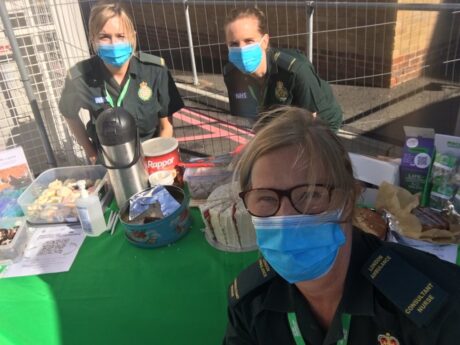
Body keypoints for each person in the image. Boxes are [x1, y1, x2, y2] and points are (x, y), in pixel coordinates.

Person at [223, 106, 460, 344]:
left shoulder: (436, 308)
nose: (285, 217)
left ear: (348, 201)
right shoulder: (250, 303)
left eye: (311, 195)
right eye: (265, 198)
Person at [59, 2, 184, 164]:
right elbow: (68, 112)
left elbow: (166, 127)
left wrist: (155, 160)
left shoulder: (154, 71)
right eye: (104, 37)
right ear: (93, 39)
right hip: (109, 163)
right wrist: (91, 153)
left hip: (151, 160)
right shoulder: (80, 77)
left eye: (120, 36)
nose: (114, 43)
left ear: (132, 37)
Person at [223, 7, 342, 132]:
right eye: (234, 44)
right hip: (282, 121)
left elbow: (310, 125)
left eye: (248, 41)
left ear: (264, 41)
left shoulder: (296, 70)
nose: (241, 50)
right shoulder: (231, 74)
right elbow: (252, 117)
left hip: (320, 122)